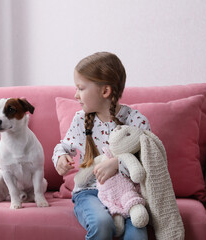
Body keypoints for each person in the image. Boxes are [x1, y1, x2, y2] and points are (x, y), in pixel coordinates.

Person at [52, 52, 150, 240]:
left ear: (105, 91)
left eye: (80, 88)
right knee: (102, 224)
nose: (75, 94)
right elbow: (63, 147)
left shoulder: (136, 122)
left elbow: (150, 162)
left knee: (137, 235)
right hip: (89, 192)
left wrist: (117, 164)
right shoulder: (81, 120)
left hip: (127, 194)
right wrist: (61, 158)